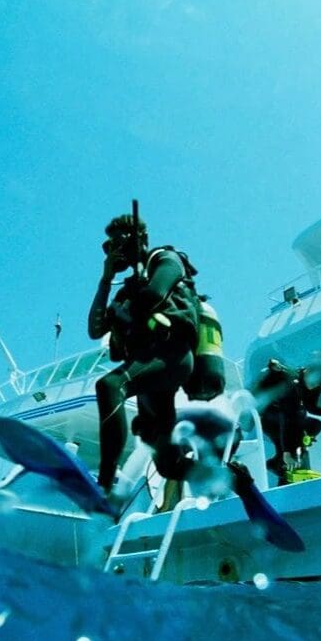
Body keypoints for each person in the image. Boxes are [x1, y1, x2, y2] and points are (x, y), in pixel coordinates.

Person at [87, 213, 200, 499]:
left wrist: (127, 307)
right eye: (111, 245)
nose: (116, 249)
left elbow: (154, 295)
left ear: (141, 239)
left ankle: (105, 482)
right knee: (167, 464)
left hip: (171, 355)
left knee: (110, 385)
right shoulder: (126, 289)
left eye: (120, 242)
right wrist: (106, 279)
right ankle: (229, 476)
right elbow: (95, 329)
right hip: (148, 371)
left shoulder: (166, 259)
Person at [254, 359, 321, 485]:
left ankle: (282, 467)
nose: (314, 385)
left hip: (290, 418)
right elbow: (287, 417)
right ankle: (279, 465)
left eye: (318, 381)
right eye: (313, 380)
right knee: (293, 430)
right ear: (306, 372)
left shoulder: (316, 387)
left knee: (315, 425)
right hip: (272, 418)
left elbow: (312, 408)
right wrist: (287, 452)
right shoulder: (292, 383)